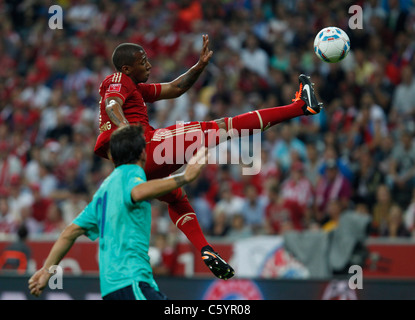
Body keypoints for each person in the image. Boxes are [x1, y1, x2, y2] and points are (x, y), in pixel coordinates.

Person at [93, 34, 322, 278]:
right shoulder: (118, 79)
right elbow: (112, 106)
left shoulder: (135, 88)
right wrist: (130, 135)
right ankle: (301, 106)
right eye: (143, 61)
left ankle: (205, 248)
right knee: (223, 127)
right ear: (127, 68)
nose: (148, 64)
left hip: (133, 168)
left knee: (177, 199)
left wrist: (199, 66)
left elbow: (175, 88)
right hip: (145, 148)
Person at [28, 125, 234, 300]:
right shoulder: (133, 173)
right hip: (132, 281)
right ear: (143, 153)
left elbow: (69, 232)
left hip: (110, 290)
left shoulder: (102, 191)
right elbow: (137, 192)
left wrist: (47, 270)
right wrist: (184, 177)